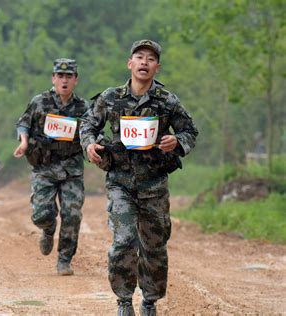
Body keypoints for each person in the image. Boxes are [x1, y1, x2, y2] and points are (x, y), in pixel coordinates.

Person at [79, 40, 198, 315]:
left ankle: (149, 301)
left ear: (157, 67)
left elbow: (190, 131)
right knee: (123, 242)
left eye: (151, 59)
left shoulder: (167, 101)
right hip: (120, 182)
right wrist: (89, 145)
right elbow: (88, 124)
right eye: (139, 57)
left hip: (154, 184)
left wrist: (176, 141)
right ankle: (123, 301)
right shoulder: (110, 98)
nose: (144, 62)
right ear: (129, 64)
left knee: (154, 246)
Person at [13, 58, 89, 276]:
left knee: (72, 215)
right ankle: (48, 230)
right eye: (60, 76)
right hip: (44, 167)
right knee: (41, 214)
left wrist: (95, 145)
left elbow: (92, 131)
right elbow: (23, 123)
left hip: (71, 169)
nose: (64, 81)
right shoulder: (40, 101)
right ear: (53, 78)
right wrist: (24, 141)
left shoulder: (83, 107)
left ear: (76, 79)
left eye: (69, 76)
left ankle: (64, 260)